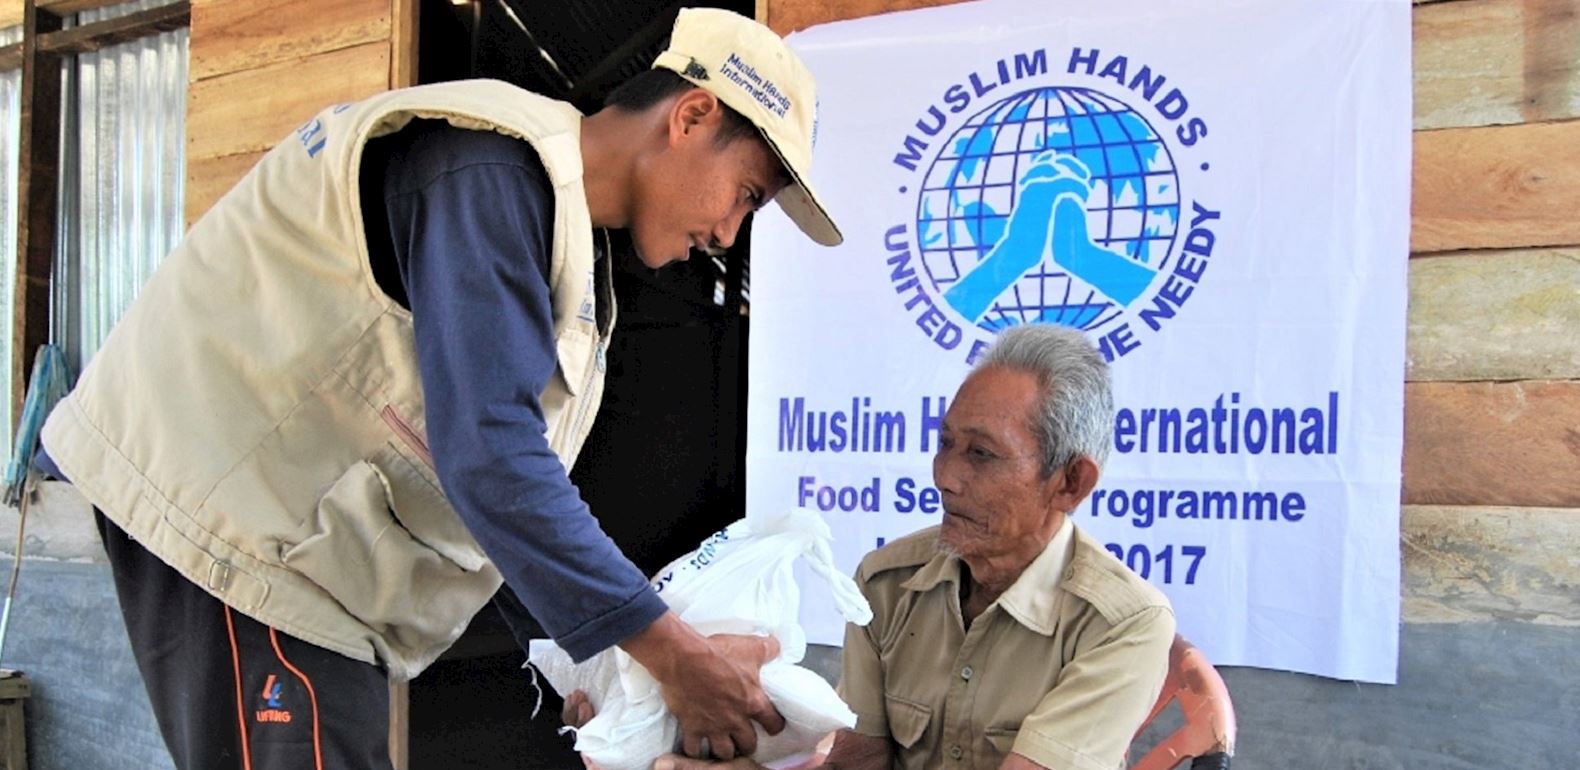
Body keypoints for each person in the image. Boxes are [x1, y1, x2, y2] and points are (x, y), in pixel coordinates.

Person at [36, 8, 840, 769]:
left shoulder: (562, 251)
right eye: (746, 195)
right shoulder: (488, 167)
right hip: (240, 527)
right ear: (692, 116)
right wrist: (674, 657)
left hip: (295, 555)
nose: (729, 237)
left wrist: (587, 665)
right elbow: (489, 459)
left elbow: (494, 499)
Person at [641, 324, 1175, 770]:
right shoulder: (886, 583)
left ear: (1070, 482)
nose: (945, 476)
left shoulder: (1125, 625)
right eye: (945, 443)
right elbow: (858, 764)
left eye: (982, 454)